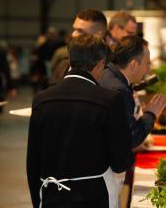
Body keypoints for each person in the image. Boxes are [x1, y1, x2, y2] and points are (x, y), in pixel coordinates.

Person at [27, 34, 134, 208]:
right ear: (100, 63)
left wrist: (38, 200)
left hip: (50, 195)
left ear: (70, 60)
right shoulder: (109, 100)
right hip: (94, 196)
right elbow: (121, 161)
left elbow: (33, 161)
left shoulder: (41, 99)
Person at [99, 35, 166, 149]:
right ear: (134, 64)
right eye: (147, 64)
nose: (148, 70)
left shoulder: (106, 73)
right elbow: (130, 138)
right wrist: (151, 114)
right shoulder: (119, 90)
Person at [49, 9, 108, 86]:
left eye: (80, 31)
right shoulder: (64, 65)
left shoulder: (111, 68)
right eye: (74, 29)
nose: (74, 34)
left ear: (99, 34)